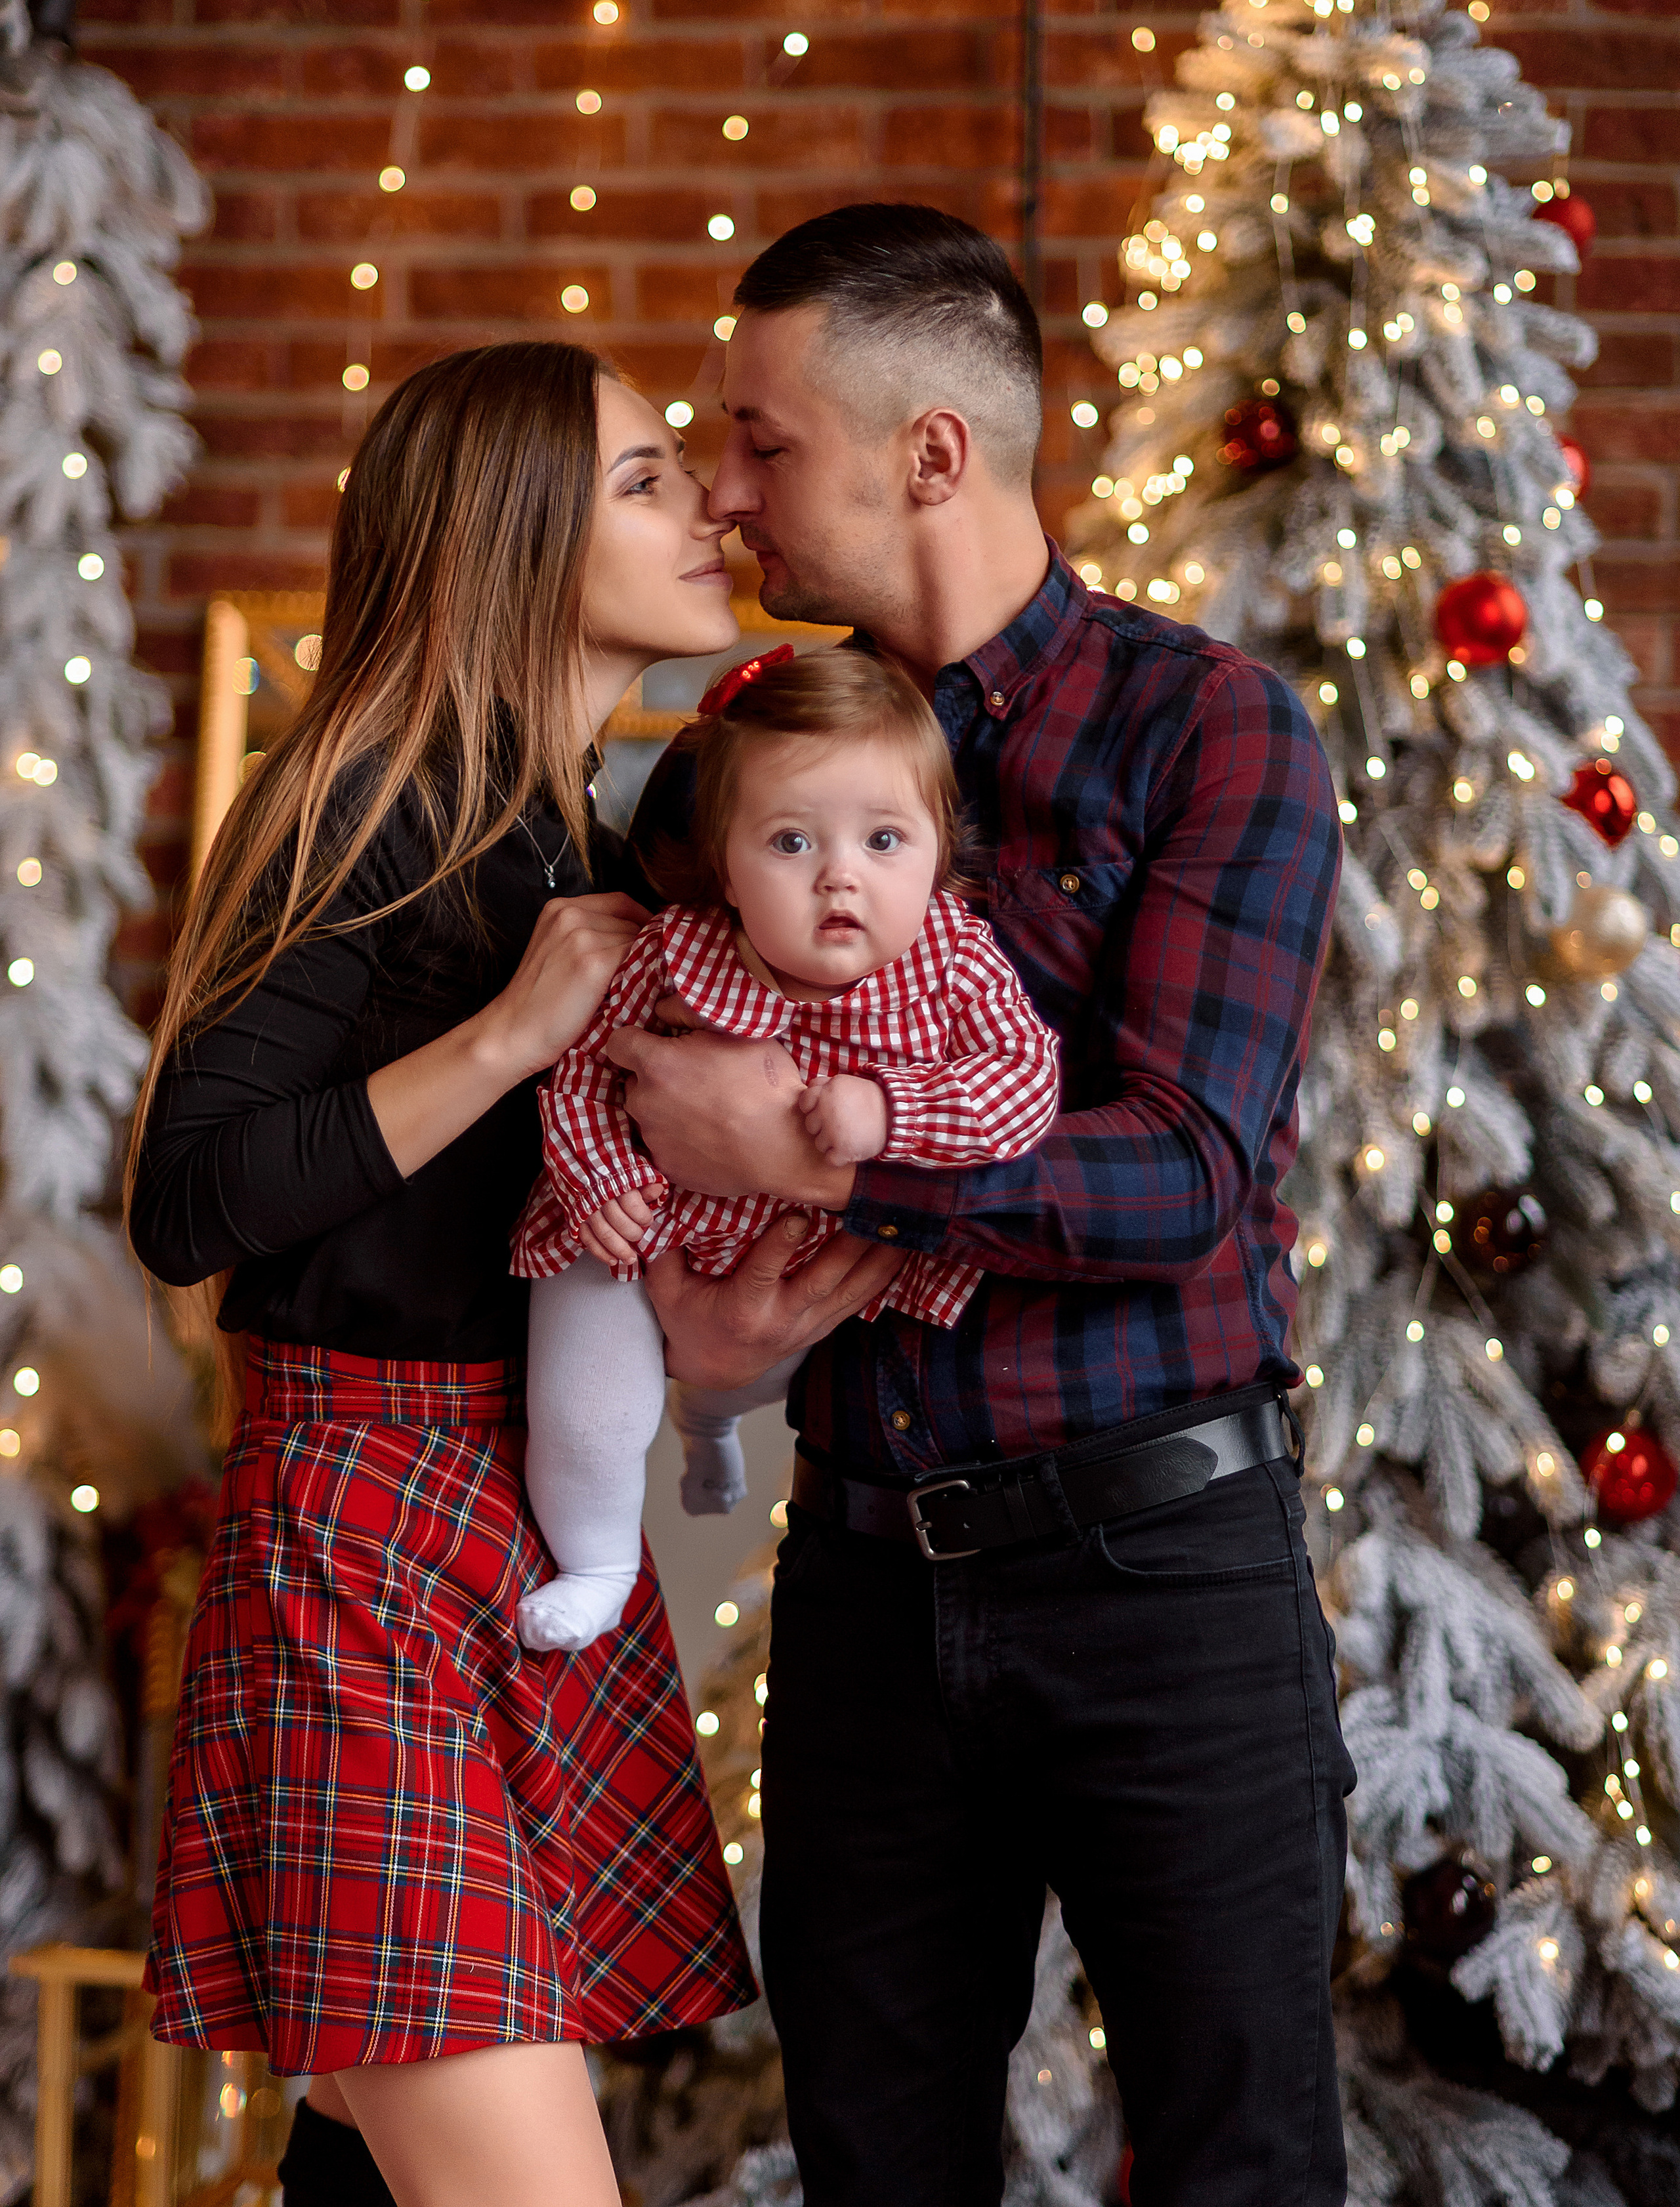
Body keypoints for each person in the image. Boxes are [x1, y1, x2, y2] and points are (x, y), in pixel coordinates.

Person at [615, 204, 1355, 2207]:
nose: (729, 488)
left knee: (1242, 2165)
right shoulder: (746, 751)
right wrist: (685, 1340)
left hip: (1162, 1577)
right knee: (874, 2169)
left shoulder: (1213, 732)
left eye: (764, 441)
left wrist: (820, 1140)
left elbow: (1182, 1172)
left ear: (931, 453)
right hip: (861, 1582)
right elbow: (620, 1047)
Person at [124, 342, 894, 2207]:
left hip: (501, 1538)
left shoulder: (571, 825)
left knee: (368, 2158)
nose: (711, 501)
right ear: (516, 536)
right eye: (645, 479)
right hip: (365, 1552)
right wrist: (511, 1027)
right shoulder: (366, 806)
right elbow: (188, 1200)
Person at [509, 645, 1060, 1652]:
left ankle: (709, 1427)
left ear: (941, 850)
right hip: (644, 1235)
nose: (841, 874)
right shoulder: (679, 948)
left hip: (816, 1273)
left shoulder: (954, 959)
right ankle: (597, 1561)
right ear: (726, 862)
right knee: (585, 1397)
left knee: (745, 1384)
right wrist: (605, 1185)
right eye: (793, 841)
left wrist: (892, 1115)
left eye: (885, 838)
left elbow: (1025, 1082)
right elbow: (583, 1070)